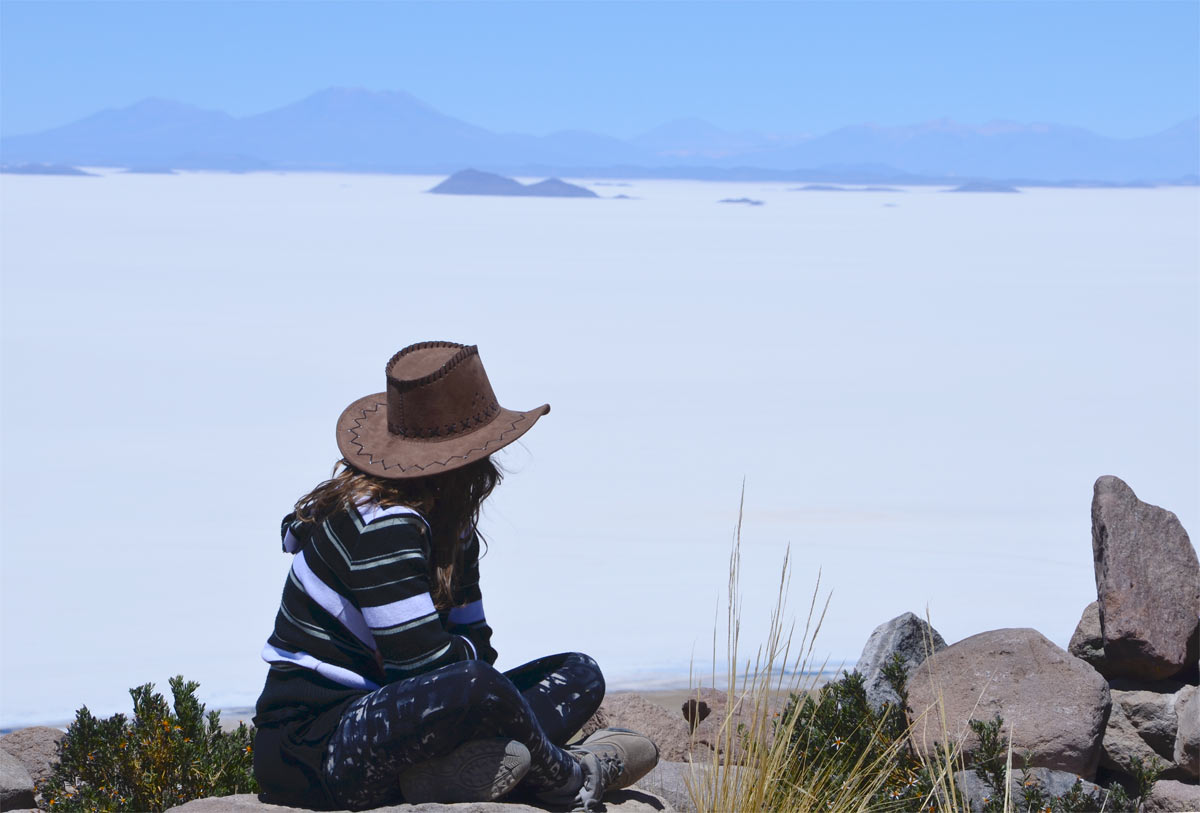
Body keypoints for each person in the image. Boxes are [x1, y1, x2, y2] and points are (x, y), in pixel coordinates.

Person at [251, 341, 658, 811]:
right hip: (315, 751)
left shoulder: (451, 524)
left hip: (395, 723)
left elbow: (471, 647)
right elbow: (426, 670)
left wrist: (460, 660)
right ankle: (570, 774)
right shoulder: (382, 524)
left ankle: (453, 776)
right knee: (475, 686)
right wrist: (462, 663)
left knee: (577, 673)